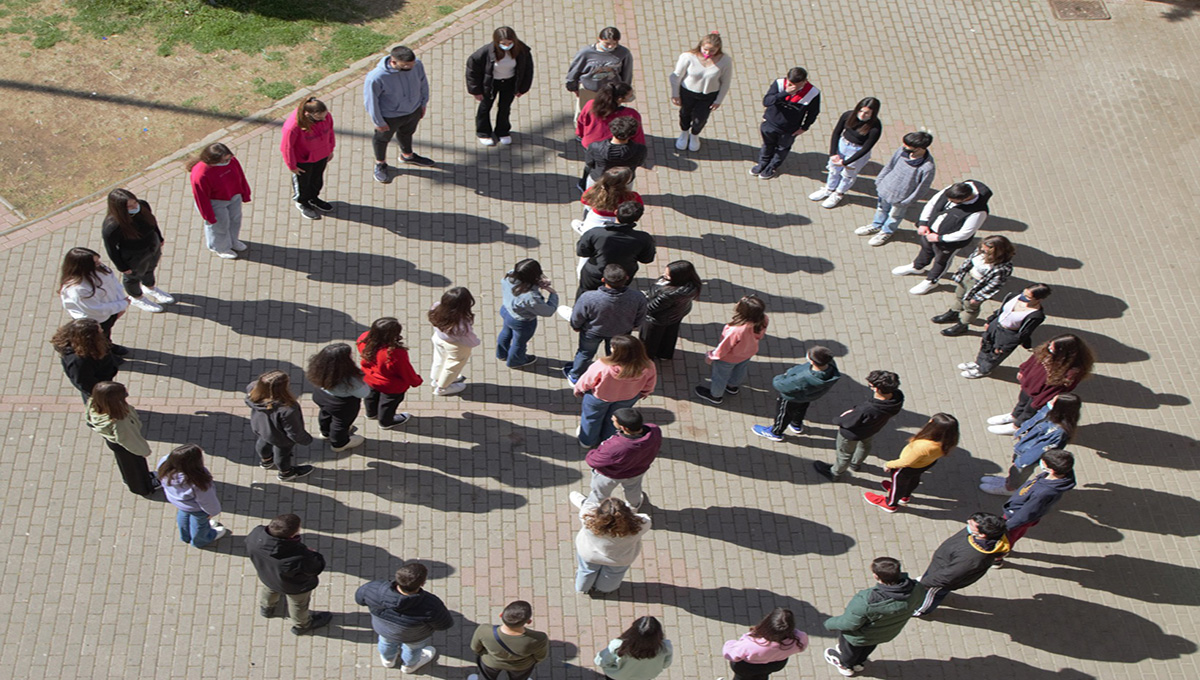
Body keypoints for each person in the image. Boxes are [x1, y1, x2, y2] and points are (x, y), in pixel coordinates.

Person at [823, 557, 925, 676]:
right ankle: (859, 663)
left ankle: (846, 666)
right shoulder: (917, 588)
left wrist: (829, 623)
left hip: (859, 636)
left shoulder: (867, 601)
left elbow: (849, 623)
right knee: (868, 647)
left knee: (850, 651)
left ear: (876, 576)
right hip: (885, 633)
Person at [891, 180, 992, 295]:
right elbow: (932, 204)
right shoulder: (952, 189)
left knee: (941, 260)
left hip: (948, 242)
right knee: (926, 249)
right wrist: (923, 223)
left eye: (953, 201)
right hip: (930, 232)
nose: (949, 202)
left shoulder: (978, 212)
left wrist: (939, 238)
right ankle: (917, 267)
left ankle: (932, 281)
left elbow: (966, 233)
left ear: (965, 199)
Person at [355, 562, 454, 671]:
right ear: (422, 583)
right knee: (412, 650)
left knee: (386, 642)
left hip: (383, 630)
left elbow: (359, 599)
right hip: (414, 636)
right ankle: (409, 666)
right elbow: (444, 624)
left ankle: (388, 660)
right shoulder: (431, 605)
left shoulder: (374, 588)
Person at [985, 334, 1093, 434]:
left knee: (1029, 411)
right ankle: (1015, 415)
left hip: (1040, 394)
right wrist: (1023, 371)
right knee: (1022, 402)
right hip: (1029, 385)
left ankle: (1017, 426)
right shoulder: (1046, 351)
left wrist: (1040, 401)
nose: (1049, 348)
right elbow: (1032, 360)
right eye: (1050, 345)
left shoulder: (1072, 370)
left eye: (1053, 347)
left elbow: (1056, 390)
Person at [246, 514, 332, 635]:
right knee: (298, 604)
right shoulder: (299, 557)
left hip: (267, 576)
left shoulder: (256, 534)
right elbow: (316, 568)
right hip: (293, 586)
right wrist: (314, 554)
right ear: (292, 535)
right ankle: (302, 625)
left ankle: (267, 609)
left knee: (270, 589)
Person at [912, 513, 1010, 617]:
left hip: (941, 578)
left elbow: (948, 576)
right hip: (941, 566)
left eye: (971, 524)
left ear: (982, 535)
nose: (968, 523)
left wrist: (924, 582)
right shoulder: (979, 534)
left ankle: (921, 610)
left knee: (933, 594)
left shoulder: (972, 557)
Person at [981, 393, 1081, 495]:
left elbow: (1039, 450)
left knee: (1019, 473)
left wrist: (1022, 461)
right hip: (1024, 447)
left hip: (1027, 456)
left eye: (1053, 401)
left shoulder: (1058, 431)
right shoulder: (1050, 411)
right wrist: (1021, 432)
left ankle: (1010, 489)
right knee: (1014, 470)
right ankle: (1008, 481)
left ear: (1060, 408)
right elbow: (1034, 421)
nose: (1049, 401)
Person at [813, 371, 904, 481]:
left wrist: (839, 419)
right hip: (871, 429)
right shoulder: (897, 398)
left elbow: (847, 422)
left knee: (844, 454)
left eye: (870, 385)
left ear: (876, 389)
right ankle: (855, 464)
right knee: (865, 446)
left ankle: (835, 473)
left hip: (851, 434)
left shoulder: (867, 409)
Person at [564, 264, 648, 384]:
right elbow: (641, 315)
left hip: (592, 332)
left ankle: (575, 375)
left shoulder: (589, 297)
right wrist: (634, 325)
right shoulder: (638, 297)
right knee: (616, 356)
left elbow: (578, 315)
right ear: (627, 278)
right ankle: (613, 376)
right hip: (621, 333)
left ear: (603, 280)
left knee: (585, 354)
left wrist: (576, 326)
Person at [569, 406, 661, 510]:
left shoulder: (615, 446)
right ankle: (633, 506)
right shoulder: (654, 430)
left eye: (613, 420)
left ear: (623, 428)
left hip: (610, 475)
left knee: (599, 494)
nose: (611, 420)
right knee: (633, 489)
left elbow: (593, 461)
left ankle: (591, 507)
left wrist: (592, 452)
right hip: (637, 471)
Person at [863, 413, 959, 513]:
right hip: (924, 464)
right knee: (913, 480)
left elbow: (906, 462)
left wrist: (888, 464)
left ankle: (890, 503)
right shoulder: (948, 441)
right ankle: (905, 496)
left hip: (907, 467)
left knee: (898, 484)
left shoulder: (923, 446)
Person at [365, 45, 434, 184]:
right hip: (390, 116)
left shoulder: (416, 65)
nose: (411, 67)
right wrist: (379, 122)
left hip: (413, 110)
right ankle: (381, 164)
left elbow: (423, 83)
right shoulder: (376, 77)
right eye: (406, 65)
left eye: (412, 64)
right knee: (382, 139)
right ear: (393, 62)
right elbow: (371, 102)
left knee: (407, 133)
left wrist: (423, 103)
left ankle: (407, 156)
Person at [855, 131, 936, 246]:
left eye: (908, 146)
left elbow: (922, 188)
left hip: (901, 198)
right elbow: (890, 165)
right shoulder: (901, 151)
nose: (904, 147)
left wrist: (907, 201)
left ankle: (886, 232)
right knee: (881, 209)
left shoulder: (927, 167)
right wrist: (880, 181)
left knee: (894, 216)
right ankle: (876, 225)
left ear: (920, 148)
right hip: (885, 189)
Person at [574, 336, 657, 448]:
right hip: (628, 398)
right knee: (615, 421)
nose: (610, 348)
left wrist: (579, 389)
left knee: (592, 419)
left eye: (613, 347)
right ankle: (607, 440)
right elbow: (650, 382)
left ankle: (587, 441)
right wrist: (645, 392)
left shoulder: (604, 365)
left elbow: (588, 380)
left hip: (599, 397)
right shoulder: (648, 365)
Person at [101, 188, 173, 312]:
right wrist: (122, 266)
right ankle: (136, 297)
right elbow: (111, 248)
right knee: (133, 277)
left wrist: (159, 237)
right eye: (129, 206)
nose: (135, 206)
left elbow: (153, 222)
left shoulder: (143, 205)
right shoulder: (113, 226)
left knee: (150, 268)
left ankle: (149, 287)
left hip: (152, 245)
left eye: (135, 203)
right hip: (133, 254)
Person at [958, 284, 1050, 379]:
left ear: (1038, 299)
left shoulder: (1036, 315)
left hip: (1008, 334)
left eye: (1028, 297)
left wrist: (1006, 347)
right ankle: (978, 363)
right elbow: (1001, 310)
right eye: (1024, 293)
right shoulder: (1013, 295)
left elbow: (1024, 333)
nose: (1023, 297)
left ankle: (984, 370)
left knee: (995, 354)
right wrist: (991, 320)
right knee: (986, 344)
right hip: (996, 325)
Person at [931, 235, 1016, 336]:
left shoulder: (1003, 267)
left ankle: (963, 325)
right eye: (982, 248)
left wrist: (978, 297)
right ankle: (954, 313)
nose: (981, 251)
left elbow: (994, 284)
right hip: (967, 277)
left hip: (977, 286)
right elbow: (969, 261)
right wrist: (960, 275)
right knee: (959, 296)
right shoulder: (980, 251)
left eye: (985, 250)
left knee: (970, 307)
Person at [752, 346, 840, 442]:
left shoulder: (802, 378)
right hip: (807, 396)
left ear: (813, 362)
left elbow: (780, 385)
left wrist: (781, 377)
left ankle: (776, 432)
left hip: (791, 398)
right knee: (801, 408)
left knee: (784, 414)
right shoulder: (831, 367)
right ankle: (796, 424)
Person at [86, 381, 159, 497]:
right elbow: (129, 440)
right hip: (125, 445)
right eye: (123, 395)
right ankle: (143, 487)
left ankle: (129, 479)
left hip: (114, 442)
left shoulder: (95, 404)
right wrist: (143, 451)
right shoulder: (120, 421)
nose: (126, 395)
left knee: (126, 465)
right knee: (136, 467)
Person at [808, 97, 882, 209]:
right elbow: (837, 132)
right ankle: (829, 189)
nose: (862, 115)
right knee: (833, 170)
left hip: (857, 151)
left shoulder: (875, 127)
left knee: (848, 175)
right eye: (860, 111)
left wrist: (846, 162)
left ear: (873, 113)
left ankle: (838, 193)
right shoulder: (848, 115)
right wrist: (833, 153)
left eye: (867, 113)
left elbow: (866, 148)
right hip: (842, 145)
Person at [693, 295, 768, 405]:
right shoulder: (764, 319)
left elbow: (724, 347)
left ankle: (715, 395)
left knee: (720, 376)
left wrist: (711, 356)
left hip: (729, 358)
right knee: (740, 369)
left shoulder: (736, 329)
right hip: (748, 352)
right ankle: (732, 386)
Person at [466, 26, 534, 146]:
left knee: (505, 108)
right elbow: (472, 70)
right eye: (503, 43)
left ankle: (502, 131)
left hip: (509, 83)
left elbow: (528, 70)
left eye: (509, 43)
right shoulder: (485, 52)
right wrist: (476, 90)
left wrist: (522, 88)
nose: (506, 46)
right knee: (485, 107)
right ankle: (483, 132)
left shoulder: (522, 51)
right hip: (490, 84)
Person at [750, 67, 821, 180]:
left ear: (804, 81)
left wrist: (804, 127)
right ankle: (762, 163)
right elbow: (767, 101)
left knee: (782, 149)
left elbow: (813, 112)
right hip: (770, 124)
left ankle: (772, 167)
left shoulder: (812, 93)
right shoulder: (779, 84)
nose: (793, 87)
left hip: (789, 129)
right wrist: (784, 93)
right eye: (790, 83)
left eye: (796, 85)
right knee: (767, 145)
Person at [245, 370, 315, 482]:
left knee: (263, 443)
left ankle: (266, 461)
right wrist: (306, 439)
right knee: (282, 454)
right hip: (280, 437)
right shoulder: (287, 409)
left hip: (261, 428)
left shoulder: (252, 390)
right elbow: (293, 431)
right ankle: (286, 473)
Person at [669, 32, 733, 152]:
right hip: (688, 92)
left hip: (708, 95)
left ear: (718, 49)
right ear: (701, 46)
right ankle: (684, 133)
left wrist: (719, 100)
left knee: (701, 118)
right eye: (705, 49)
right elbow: (676, 76)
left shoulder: (725, 61)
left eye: (712, 51)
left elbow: (725, 82)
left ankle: (694, 135)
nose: (708, 53)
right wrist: (675, 94)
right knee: (684, 114)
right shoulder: (688, 57)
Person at [157, 444, 230, 549]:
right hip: (196, 508)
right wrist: (213, 512)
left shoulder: (164, 465)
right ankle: (200, 540)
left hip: (179, 502)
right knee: (200, 523)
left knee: (183, 515)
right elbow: (207, 500)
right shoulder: (198, 480)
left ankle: (185, 536)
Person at [576, 201, 656, 295]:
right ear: (637, 219)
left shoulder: (595, 233)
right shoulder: (644, 238)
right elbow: (647, 259)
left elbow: (582, 252)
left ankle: (579, 309)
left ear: (615, 212)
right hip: (621, 276)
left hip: (594, 274)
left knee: (584, 295)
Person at [575, 497, 651, 595]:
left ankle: (582, 588)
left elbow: (588, 504)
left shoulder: (588, 519)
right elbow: (643, 517)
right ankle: (605, 589)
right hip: (620, 558)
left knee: (586, 570)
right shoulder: (642, 525)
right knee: (614, 574)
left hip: (589, 554)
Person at [58, 247, 132, 347]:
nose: (99, 263)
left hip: (110, 310)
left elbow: (114, 285)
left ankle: (108, 345)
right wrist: (122, 304)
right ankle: (104, 353)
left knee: (106, 332)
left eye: (98, 260)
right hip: (95, 319)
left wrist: (121, 304)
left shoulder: (100, 269)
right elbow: (96, 309)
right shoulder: (78, 289)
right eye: (95, 262)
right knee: (97, 339)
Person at [188, 143, 251, 259]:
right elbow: (201, 197)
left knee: (235, 220)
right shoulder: (200, 174)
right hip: (216, 203)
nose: (228, 161)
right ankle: (221, 247)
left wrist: (245, 193)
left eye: (229, 158)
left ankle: (233, 241)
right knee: (220, 226)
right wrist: (209, 216)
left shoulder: (232, 161)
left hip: (234, 196)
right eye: (224, 160)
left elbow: (240, 176)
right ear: (212, 160)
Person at [1002, 450, 1077, 546]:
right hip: (1023, 516)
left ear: (1051, 470)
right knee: (1018, 532)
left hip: (1015, 516)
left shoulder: (1042, 492)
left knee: (1009, 536)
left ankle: (1001, 553)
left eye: (1043, 463)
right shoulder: (1062, 474)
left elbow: (1026, 513)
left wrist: (1007, 526)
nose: (1040, 463)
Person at [358, 317, 423, 428]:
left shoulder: (364, 338)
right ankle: (385, 422)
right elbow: (405, 371)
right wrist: (416, 381)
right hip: (390, 386)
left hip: (369, 378)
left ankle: (371, 413)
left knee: (370, 396)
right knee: (387, 405)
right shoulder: (394, 353)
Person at [280, 97, 336, 220]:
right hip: (303, 161)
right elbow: (286, 147)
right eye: (319, 117)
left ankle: (314, 198)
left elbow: (330, 132)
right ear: (308, 114)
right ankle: (302, 202)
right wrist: (292, 166)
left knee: (317, 180)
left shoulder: (326, 117)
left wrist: (330, 149)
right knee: (303, 184)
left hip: (321, 156)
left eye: (324, 116)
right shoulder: (293, 127)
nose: (323, 119)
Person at [305, 343, 368, 453]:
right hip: (341, 405)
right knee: (340, 424)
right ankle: (339, 444)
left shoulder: (317, 366)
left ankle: (325, 433)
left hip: (320, 395)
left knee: (325, 414)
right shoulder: (350, 378)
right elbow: (363, 393)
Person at [497, 259, 559, 368]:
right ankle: (515, 361)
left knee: (506, 332)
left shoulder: (509, 275)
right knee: (519, 342)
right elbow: (548, 311)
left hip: (506, 310)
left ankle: (501, 354)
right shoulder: (531, 296)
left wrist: (537, 284)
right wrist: (553, 294)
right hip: (520, 321)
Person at [468, 600, 550, 680]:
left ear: (501, 615)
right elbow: (540, 657)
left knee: (486, 677)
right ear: (529, 621)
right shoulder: (539, 638)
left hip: (491, 662)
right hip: (521, 666)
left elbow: (475, 648)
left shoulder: (484, 630)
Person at [721, 608, 809, 680]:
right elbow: (802, 647)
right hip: (775, 664)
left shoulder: (752, 644)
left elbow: (731, 654)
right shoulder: (799, 638)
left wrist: (730, 643)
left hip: (747, 667)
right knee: (762, 676)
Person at [639, 260, 702, 360]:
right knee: (669, 334)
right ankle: (664, 354)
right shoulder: (691, 286)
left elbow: (652, 307)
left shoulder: (669, 294)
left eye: (668, 275)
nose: (664, 275)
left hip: (658, 318)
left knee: (649, 340)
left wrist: (639, 305)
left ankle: (645, 358)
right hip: (677, 313)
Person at [566, 27, 634, 118]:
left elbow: (627, 72)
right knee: (584, 113)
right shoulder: (586, 52)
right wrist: (572, 84)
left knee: (608, 113)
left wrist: (624, 88)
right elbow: (575, 69)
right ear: (599, 39)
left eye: (614, 43)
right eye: (607, 43)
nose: (611, 46)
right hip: (589, 89)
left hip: (611, 91)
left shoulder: (624, 53)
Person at [52, 319, 122, 402]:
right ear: (89, 337)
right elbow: (85, 382)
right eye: (99, 330)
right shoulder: (79, 360)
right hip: (97, 388)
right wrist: (99, 394)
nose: (102, 330)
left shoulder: (89, 344)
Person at [428, 287, 481, 397]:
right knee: (452, 366)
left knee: (439, 359)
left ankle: (435, 379)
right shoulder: (461, 322)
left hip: (438, 338)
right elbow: (469, 338)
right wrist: (475, 342)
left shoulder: (436, 307)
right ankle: (442, 388)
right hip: (455, 346)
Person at [594, 615, 673, 680]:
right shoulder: (666, 646)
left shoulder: (618, 645)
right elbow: (666, 664)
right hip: (645, 676)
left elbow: (601, 661)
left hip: (618, 676)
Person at [576, 81, 646, 151]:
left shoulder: (591, 105)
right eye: (630, 95)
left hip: (591, 145)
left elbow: (581, 121)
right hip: (615, 149)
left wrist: (580, 134)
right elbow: (637, 135)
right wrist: (640, 149)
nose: (632, 96)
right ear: (620, 99)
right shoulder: (631, 114)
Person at [573, 167, 643, 235]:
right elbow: (638, 207)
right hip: (619, 220)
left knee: (583, 228)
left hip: (597, 218)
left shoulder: (594, 191)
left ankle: (584, 230)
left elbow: (584, 201)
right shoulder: (632, 196)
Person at [583, 117, 647, 191]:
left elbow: (589, 163)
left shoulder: (595, 147)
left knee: (591, 200)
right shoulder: (640, 149)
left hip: (599, 179)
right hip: (624, 181)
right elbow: (639, 163)